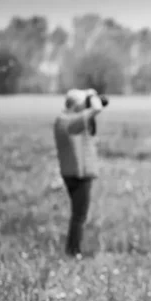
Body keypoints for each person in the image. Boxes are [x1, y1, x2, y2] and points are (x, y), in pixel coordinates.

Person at [53, 88, 107, 258]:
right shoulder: (71, 122)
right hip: (79, 174)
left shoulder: (62, 120)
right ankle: (73, 251)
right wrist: (91, 95)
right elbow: (97, 109)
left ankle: (72, 249)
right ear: (77, 105)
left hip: (71, 173)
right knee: (79, 216)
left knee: (78, 215)